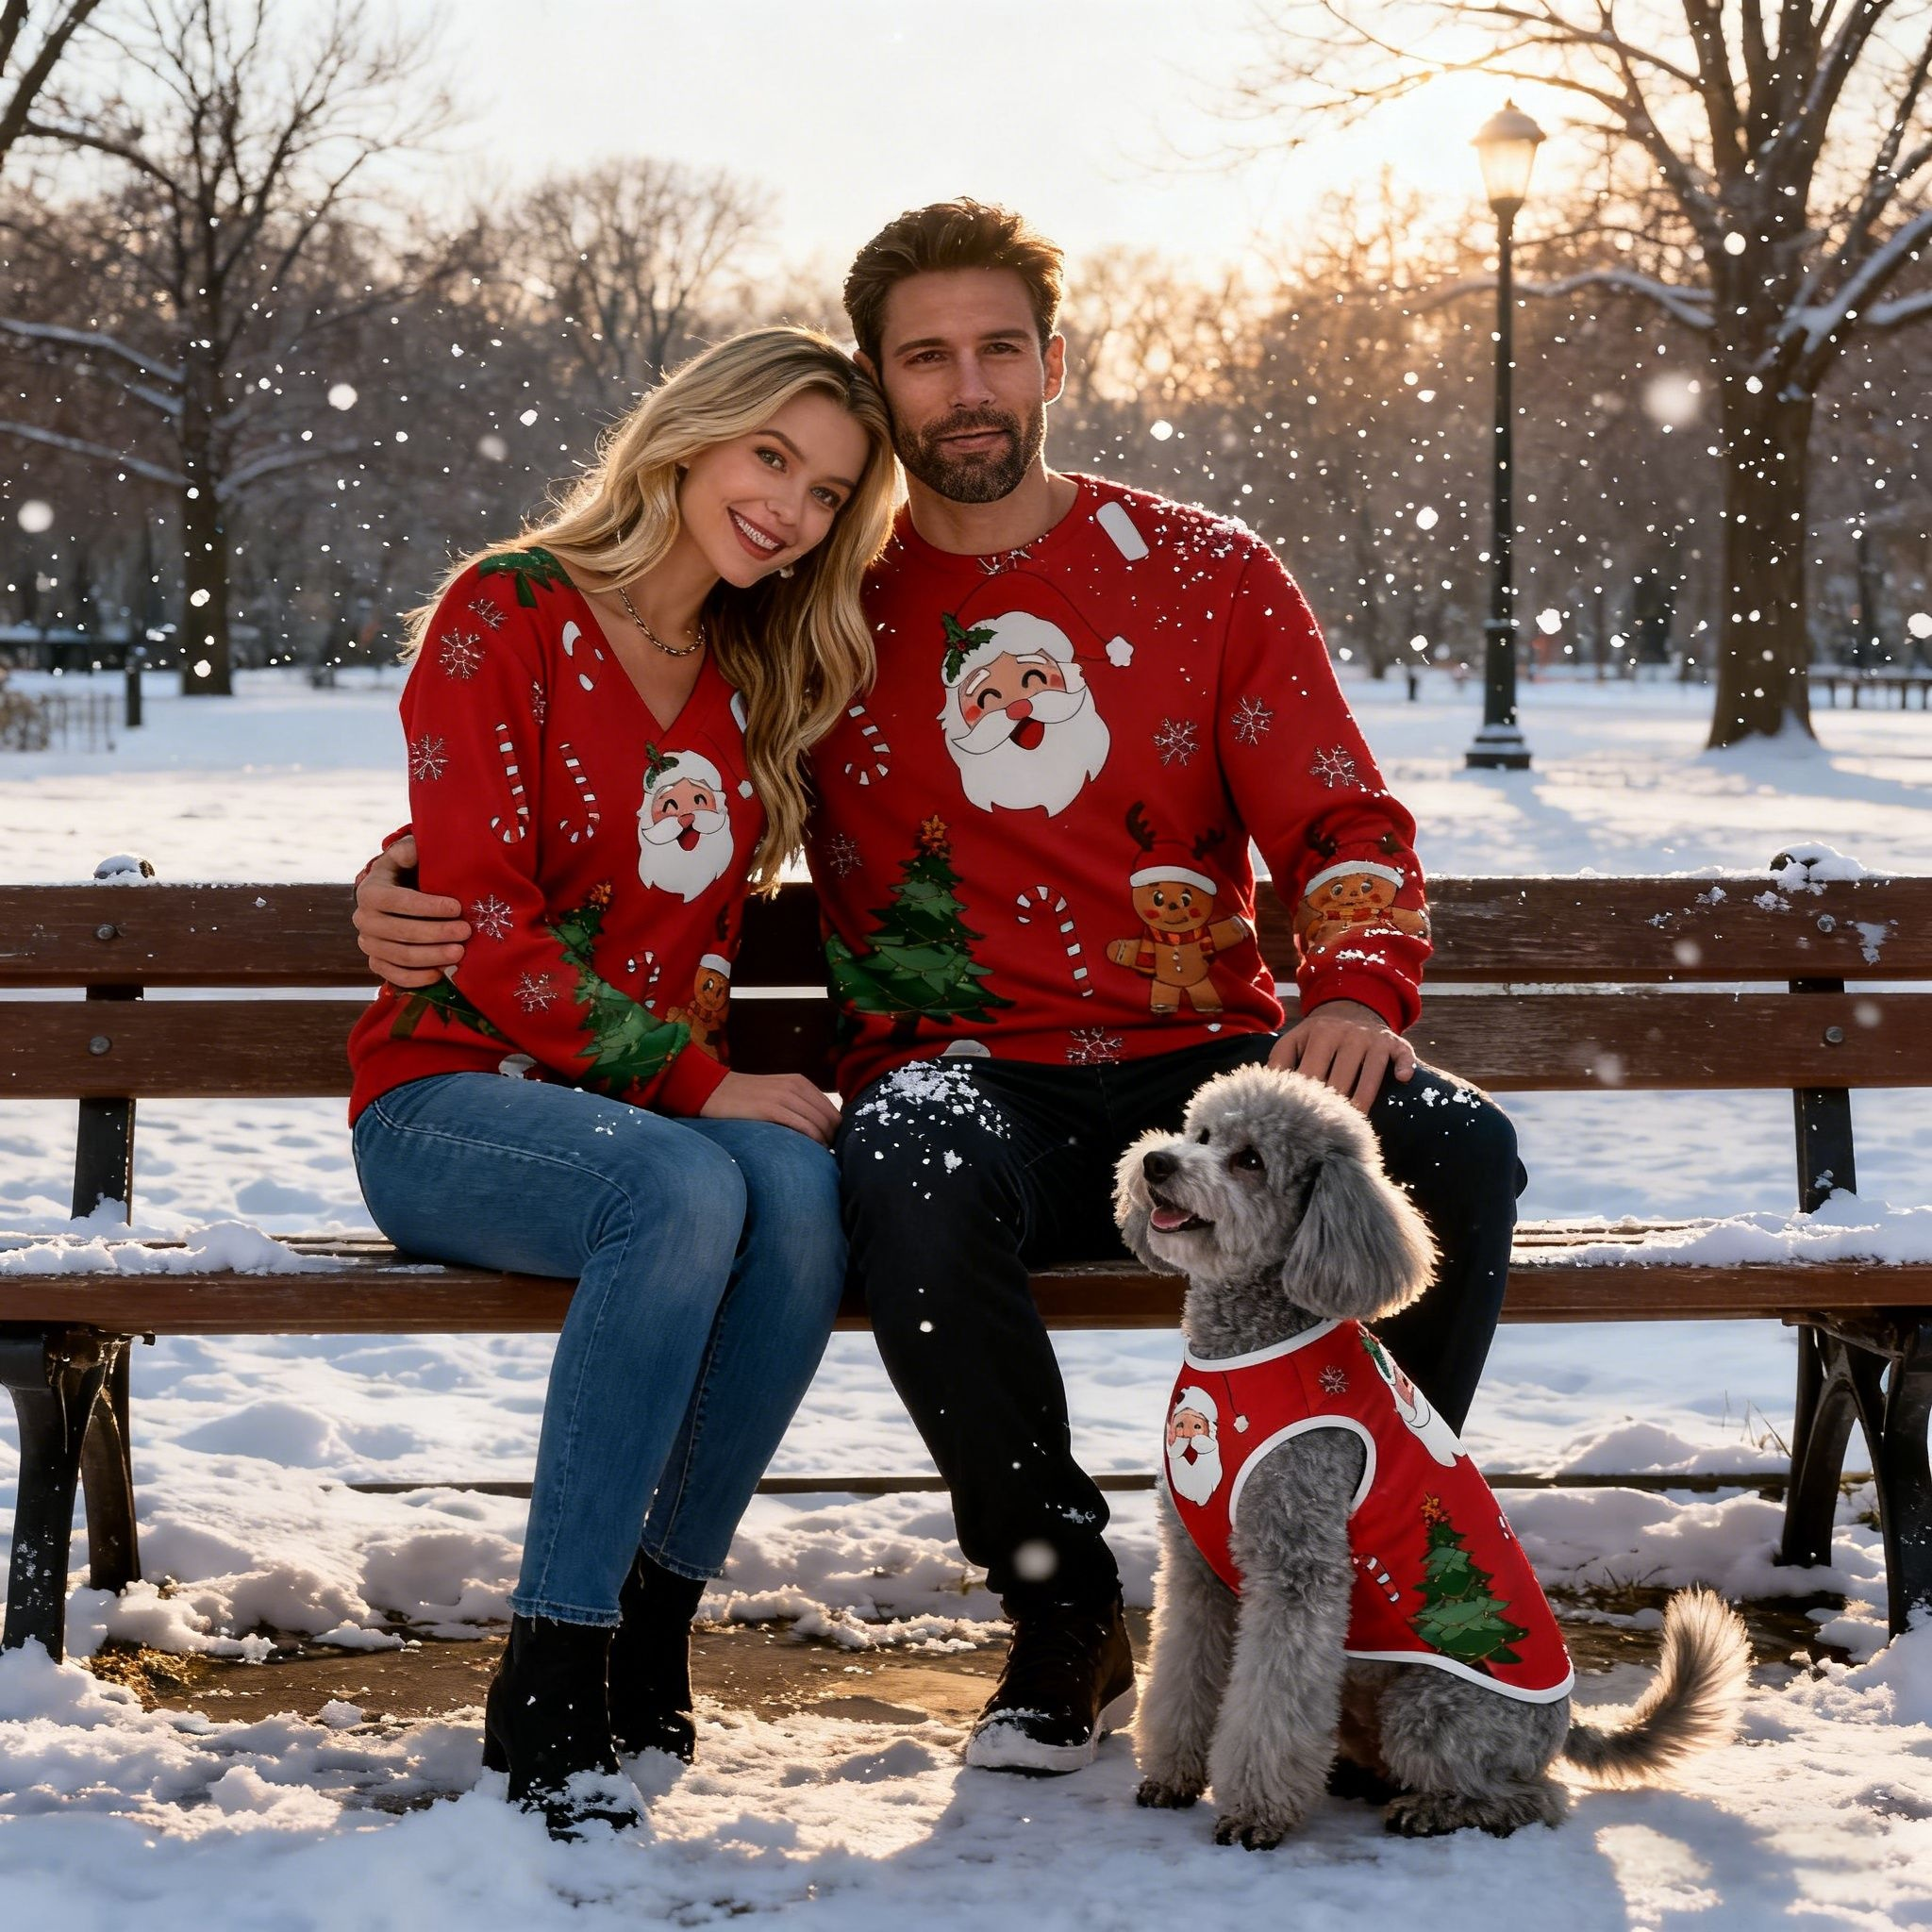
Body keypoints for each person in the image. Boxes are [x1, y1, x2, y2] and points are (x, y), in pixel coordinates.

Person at [356, 203, 1524, 1782]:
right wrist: (413, 872)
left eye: (997, 349)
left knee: (1454, 1154)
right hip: (966, 1067)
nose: (967, 387)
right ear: (880, 381)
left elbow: (1342, 819)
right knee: (901, 1163)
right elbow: (599, 751)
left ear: (1055, 360)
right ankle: (1057, 1609)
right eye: (926, 359)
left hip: (1213, 1059)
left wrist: (1364, 988)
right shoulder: (814, 606)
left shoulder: (1206, 575)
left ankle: (1375, 1578)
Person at [345, 325, 896, 1835]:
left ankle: (654, 1615)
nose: (788, 505)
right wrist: (694, 1080)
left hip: (650, 1118)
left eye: (829, 491)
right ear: (690, 435)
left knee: (795, 1186)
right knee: (680, 1182)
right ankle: (548, 1673)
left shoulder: (753, 673)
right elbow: (485, 918)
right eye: (769, 456)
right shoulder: (504, 611)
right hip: (451, 1101)